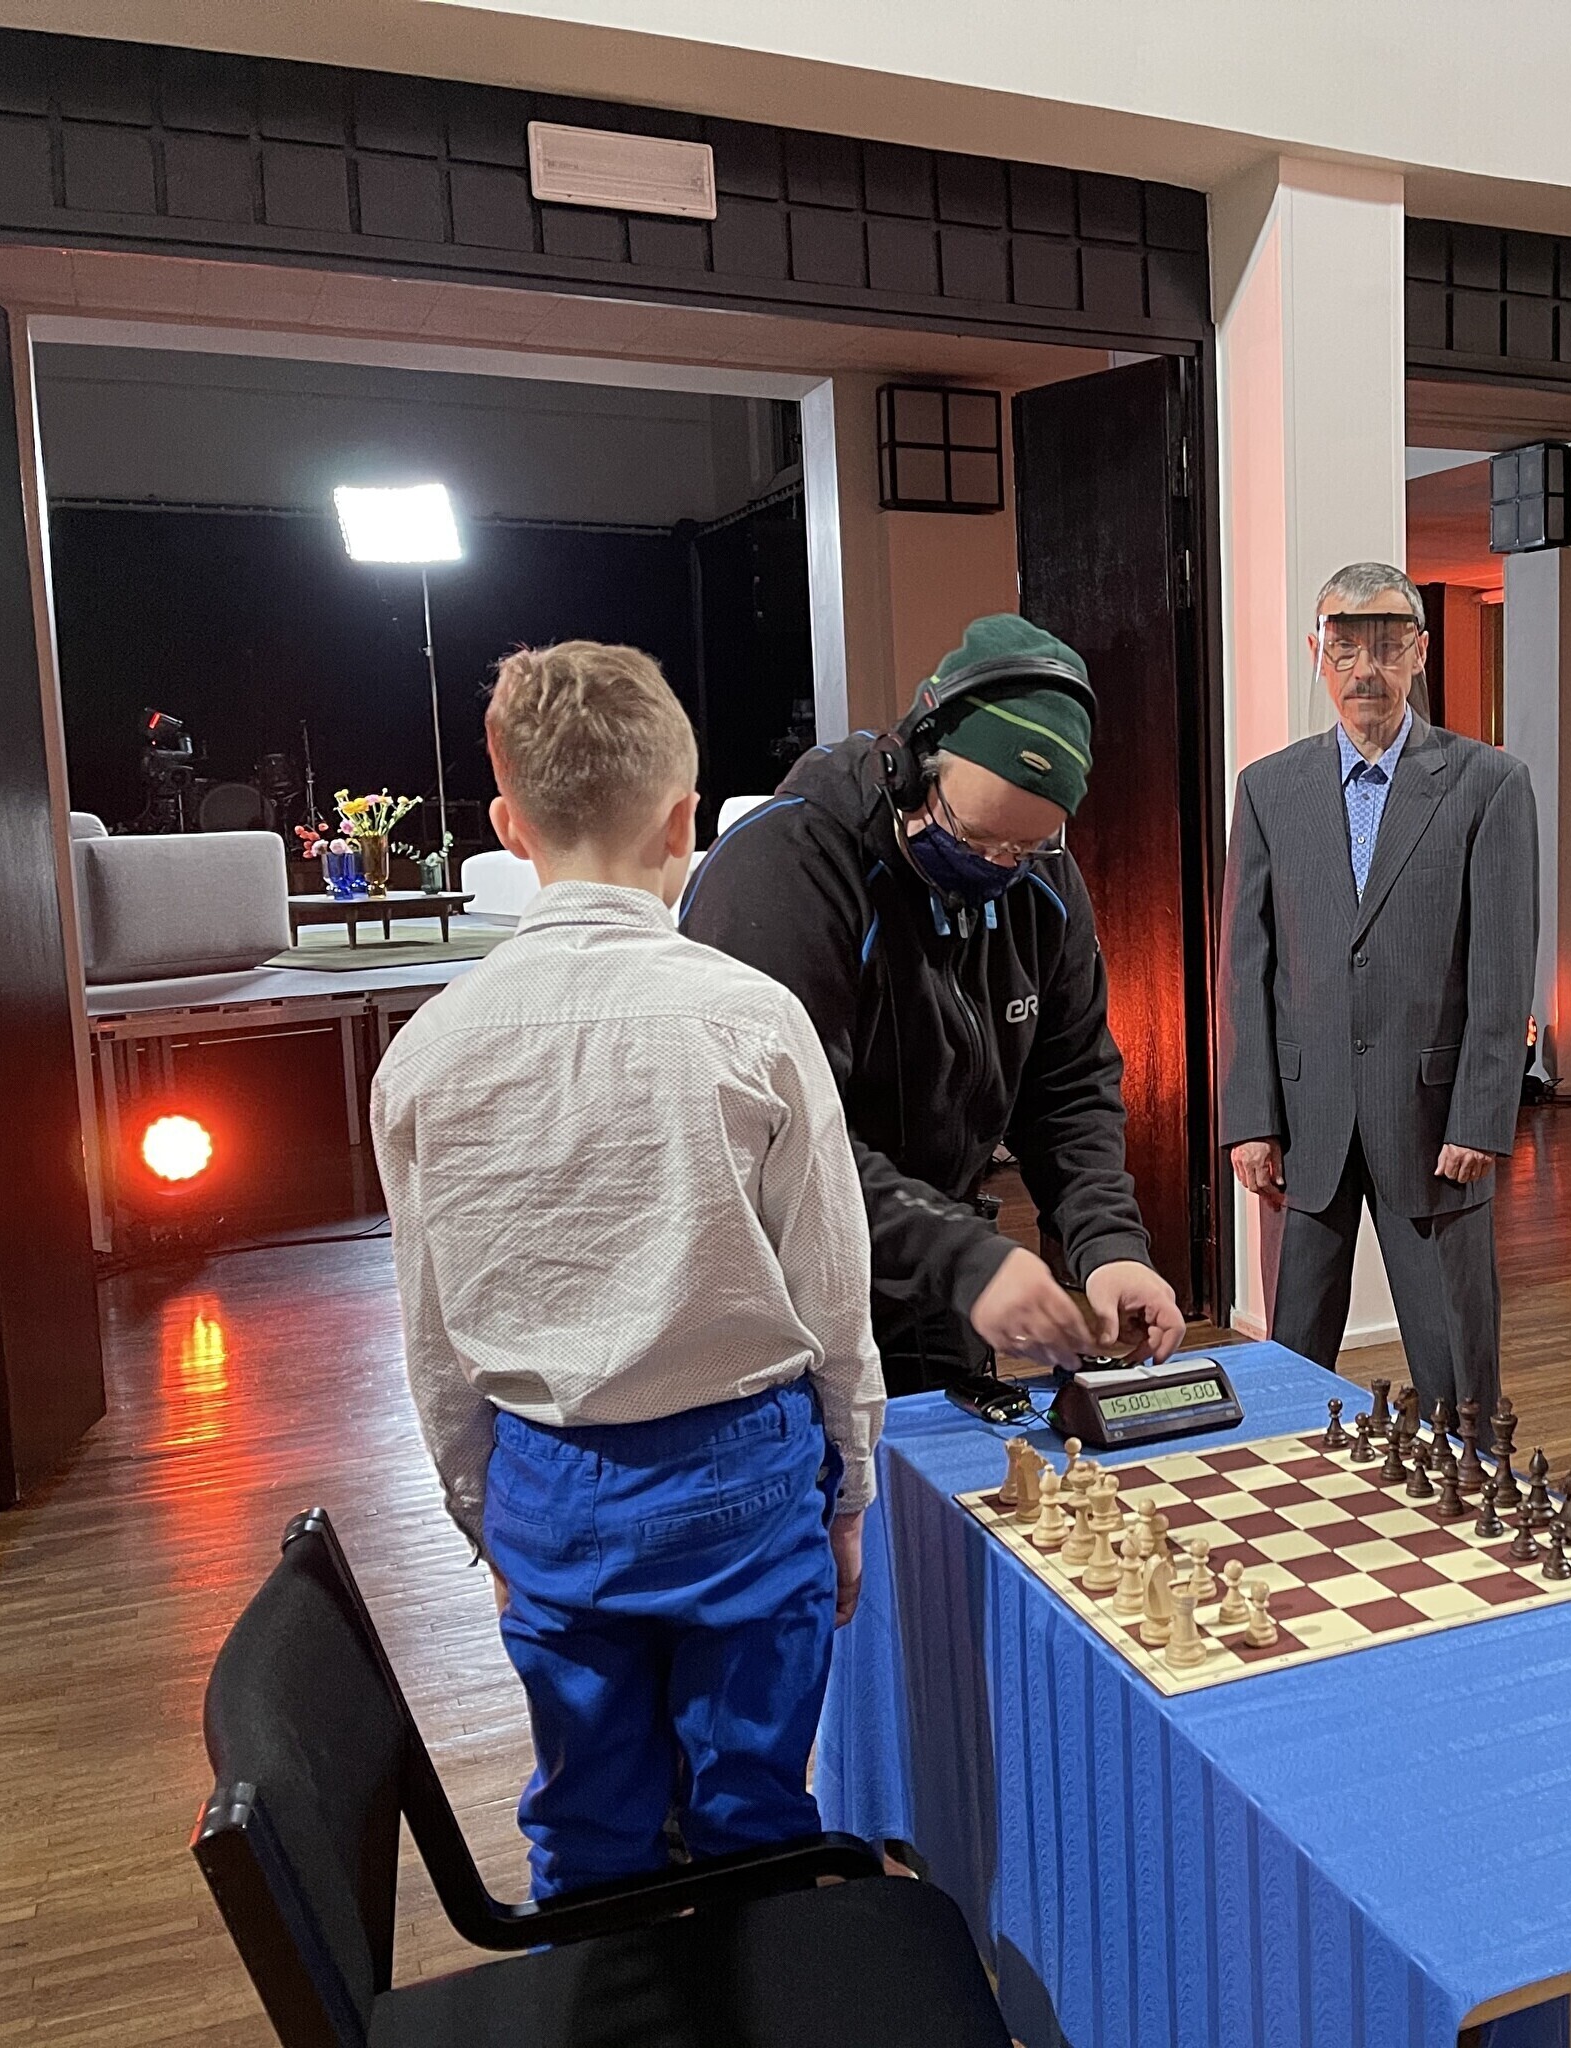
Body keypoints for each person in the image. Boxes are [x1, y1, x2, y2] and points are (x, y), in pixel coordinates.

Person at [372, 641, 886, 1896]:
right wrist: (852, 1482)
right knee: (756, 1813)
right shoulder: (754, 1018)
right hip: (747, 1480)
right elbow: (833, 1290)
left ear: (508, 828)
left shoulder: (426, 1052)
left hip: (551, 1483)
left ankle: (596, 1984)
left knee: (587, 1825)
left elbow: (432, 1337)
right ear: (683, 823)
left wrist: (483, 1512)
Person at [679, 614, 1183, 1392]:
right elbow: (784, 1141)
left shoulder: (1042, 881)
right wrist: (967, 1259)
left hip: (933, 1271)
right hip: (784, 1293)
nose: (998, 866)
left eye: (1024, 848)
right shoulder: (785, 873)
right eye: (977, 838)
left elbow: (1069, 1087)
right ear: (913, 768)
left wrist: (1109, 1245)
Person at [1219, 563, 1539, 1425]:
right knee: (1292, 1367)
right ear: (1317, 653)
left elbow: (1501, 969)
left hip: (1436, 1127)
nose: (1367, 668)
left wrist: (1481, 1117)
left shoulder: (1489, 785)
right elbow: (1244, 966)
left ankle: (1472, 1489)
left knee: (1458, 1378)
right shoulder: (1268, 789)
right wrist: (1250, 1117)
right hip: (1302, 1123)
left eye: (1389, 645)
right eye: (1345, 646)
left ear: (1420, 653)